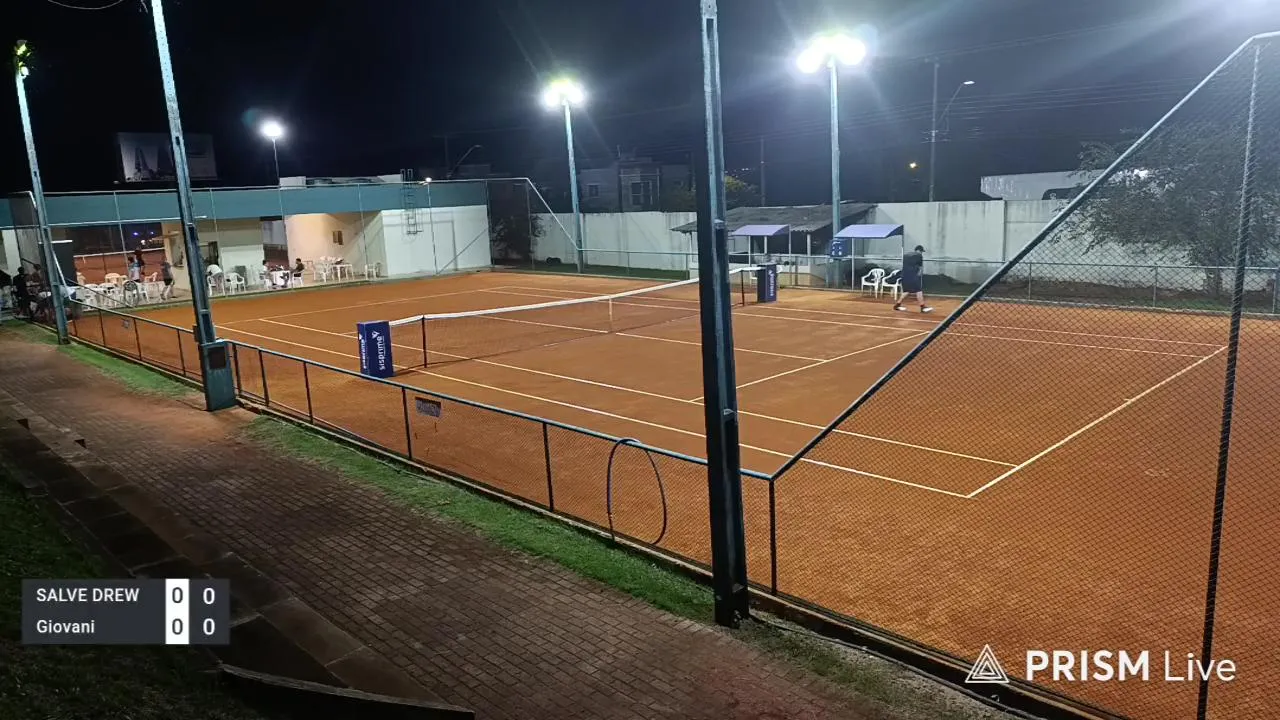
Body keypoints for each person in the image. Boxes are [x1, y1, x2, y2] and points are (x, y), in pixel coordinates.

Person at [894, 245, 934, 314]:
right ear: (919, 250)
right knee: (919, 290)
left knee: (906, 291)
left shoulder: (906, 255)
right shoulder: (919, 255)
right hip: (912, 276)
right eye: (922, 251)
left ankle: (897, 305)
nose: (921, 253)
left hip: (904, 276)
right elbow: (920, 268)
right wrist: (918, 275)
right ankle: (923, 307)